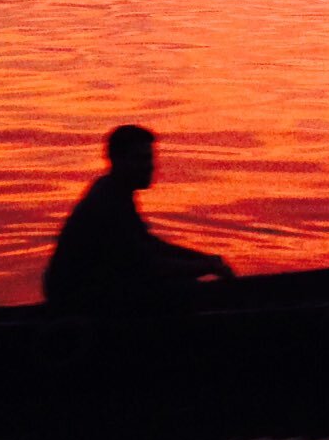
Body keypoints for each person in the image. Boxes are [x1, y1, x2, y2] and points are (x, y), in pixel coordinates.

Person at [43, 126, 234, 317]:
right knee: (184, 291)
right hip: (78, 299)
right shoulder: (107, 202)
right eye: (140, 159)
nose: (149, 166)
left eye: (149, 158)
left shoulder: (116, 193)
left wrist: (203, 259)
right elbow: (146, 265)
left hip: (92, 291)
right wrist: (205, 267)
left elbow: (150, 245)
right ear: (116, 160)